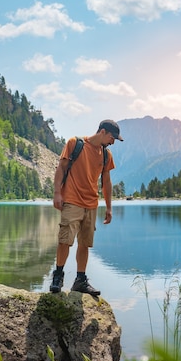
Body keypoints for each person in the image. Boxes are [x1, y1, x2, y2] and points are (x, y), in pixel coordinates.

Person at [50, 119, 124, 295]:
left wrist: (108, 207)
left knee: (85, 244)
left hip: (91, 204)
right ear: (103, 132)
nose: (113, 142)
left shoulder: (106, 155)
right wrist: (57, 193)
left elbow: (106, 181)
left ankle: (80, 280)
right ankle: (58, 276)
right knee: (65, 240)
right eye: (112, 137)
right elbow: (61, 167)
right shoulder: (75, 144)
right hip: (72, 200)